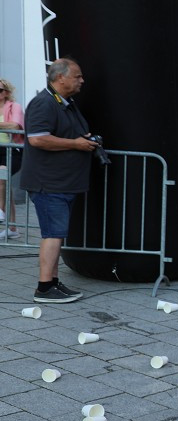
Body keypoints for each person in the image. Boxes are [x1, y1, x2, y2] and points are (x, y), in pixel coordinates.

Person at [21, 58, 99, 302]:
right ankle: (44, 288)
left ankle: (52, 282)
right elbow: (38, 139)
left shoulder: (66, 103)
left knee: (56, 233)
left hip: (63, 182)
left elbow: (61, 133)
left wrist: (83, 138)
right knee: (52, 234)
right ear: (60, 78)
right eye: (77, 76)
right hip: (49, 183)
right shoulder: (44, 103)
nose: (82, 80)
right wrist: (75, 143)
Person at [0, 78, 25, 239]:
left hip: (11, 151)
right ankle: (13, 228)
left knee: (1, 177)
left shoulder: (14, 107)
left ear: (6, 93)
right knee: (4, 185)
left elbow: (15, 125)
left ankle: (0, 212)